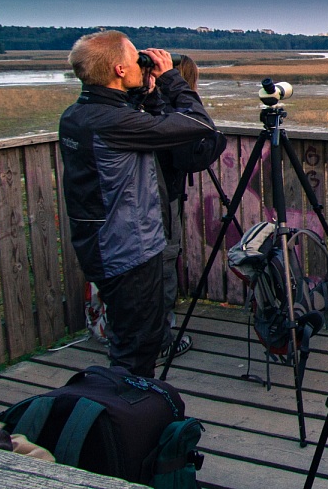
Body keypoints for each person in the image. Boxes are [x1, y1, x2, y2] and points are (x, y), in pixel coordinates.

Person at [59, 31, 220, 378]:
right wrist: (171, 79)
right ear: (119, 69)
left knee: (129, 337)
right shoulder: (113, 121)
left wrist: (146, 94)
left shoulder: (77, 115)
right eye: (136, 59)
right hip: (128, 249)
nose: (141, 63)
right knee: (137, 347)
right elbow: (198, 124)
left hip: (103, 244)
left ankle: (130, 407)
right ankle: (131, 412)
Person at [142, 54, 227, 363]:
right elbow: (200, 144)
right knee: (163, 266)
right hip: (160, 202)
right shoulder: (166, 115)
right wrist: (175, 93)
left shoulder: (141, 110)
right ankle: (161, 343)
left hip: (139, 204)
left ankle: (139, 339)